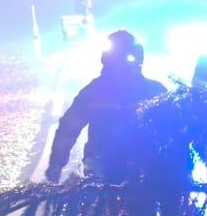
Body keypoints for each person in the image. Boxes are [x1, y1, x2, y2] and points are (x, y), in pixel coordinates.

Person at [44, 30, 167, 182]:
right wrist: (55, 166)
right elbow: (68, 128)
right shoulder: (95, 92)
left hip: (141, 170)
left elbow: (172, 131)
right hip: (102, 169)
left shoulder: (153, 92)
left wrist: (55, 167)